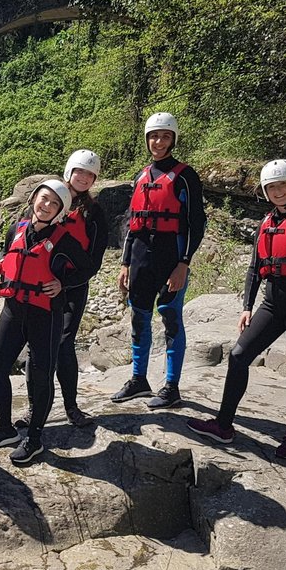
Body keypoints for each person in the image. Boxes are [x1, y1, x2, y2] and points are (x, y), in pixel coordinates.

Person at [186, 159, 286, 460]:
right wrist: (247, 306)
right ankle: (224, 425)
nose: (278, 191)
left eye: (283, 185)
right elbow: (255, 268)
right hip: (271, 304)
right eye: (271, 187)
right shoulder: (267, 221)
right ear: (265, 191)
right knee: (239, 355)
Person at [0, 179, 89, 465]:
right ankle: (5, 428)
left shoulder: (65, 239)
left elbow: (87, 268)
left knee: (41, 376)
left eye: (54, 203)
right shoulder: (15, 229)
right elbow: (10, 258)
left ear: (60, 210)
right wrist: (1, 267)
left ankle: (34, 439)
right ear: (33, 200)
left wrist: (62, 284)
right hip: (13, 310)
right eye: (43, 199)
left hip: (46, 315)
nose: (46, 205)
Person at [112, 112, 207, 410]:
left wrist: (184, 263)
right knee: (139, 317)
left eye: (165, 136)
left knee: (170, 316)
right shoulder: (141, 175)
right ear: (147, 140)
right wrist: (125, 263)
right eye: (154, 136)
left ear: (173, 140)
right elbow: (130, 223)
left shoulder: (185, 175)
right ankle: (139, 380)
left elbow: (197, 223)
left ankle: (171, 387)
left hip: (170, 254)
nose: (158, 141)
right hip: (140, 254)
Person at [53, 149, 110, 426]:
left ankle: (71, 406)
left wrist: (63, 283)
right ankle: (34, 409)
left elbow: (94, 261)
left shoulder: (94, 212)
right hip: (39, 286)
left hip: (72, 287)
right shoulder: (49, 201)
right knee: (38, 348)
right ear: (69, 172)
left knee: (64, 343)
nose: (84, 178)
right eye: (80, 172)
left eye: (90, 174)